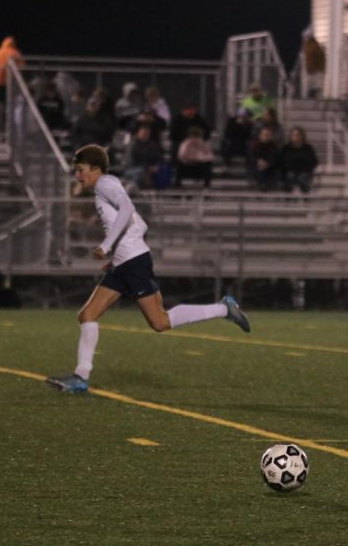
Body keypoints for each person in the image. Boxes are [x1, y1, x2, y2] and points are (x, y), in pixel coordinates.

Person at [46, 145, 250, 393]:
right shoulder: (106, 187)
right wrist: (119, 255)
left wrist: (108, 245)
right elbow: (139, 225)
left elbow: (129, 210)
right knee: (87, 315)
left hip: (134, 263)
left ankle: (223, 308)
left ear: (96, 169)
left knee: (160, 322)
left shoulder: (104, 184)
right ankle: (80, 378)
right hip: (126, 263)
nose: (78, 176)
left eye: (80, 170)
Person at [0, 36, 25, 130]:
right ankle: (11, 128)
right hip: (12, 84)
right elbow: (22, 68)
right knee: (13, 107)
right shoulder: (16, 53)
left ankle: (1, 128)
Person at [279, 127, 319, 193]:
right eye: (294, 135)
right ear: (290, 136)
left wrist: (305, 168)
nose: (296, 137)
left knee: (303, 177)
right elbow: (281, 162)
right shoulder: (286, 148)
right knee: (289, 176)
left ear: (302, 136)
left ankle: (304, 197)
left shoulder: (308, 148)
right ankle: (287, 198)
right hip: (289, 171)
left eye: (298, 135)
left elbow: (314, 162)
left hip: (304, 171)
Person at [301, 30, 326, 99]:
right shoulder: (310, 45)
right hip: (314, 70)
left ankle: (313, 98)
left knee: (315, 86)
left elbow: (311, 58)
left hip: (315, 70)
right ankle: (312, 97)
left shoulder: (311, 46)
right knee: (313, 86)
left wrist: (312, 68)